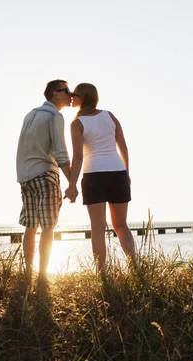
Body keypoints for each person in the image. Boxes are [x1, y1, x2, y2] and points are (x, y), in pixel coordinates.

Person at [65, 83, 135, 273]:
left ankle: (101, 273)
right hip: (117, 173)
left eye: (74, 94)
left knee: (97, 228)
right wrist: (126, 173)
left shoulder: (77, 123)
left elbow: (78, 156)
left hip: (94, 175)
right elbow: (124, 147)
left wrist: (72, 186)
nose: (71, 97)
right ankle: (135, 268)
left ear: (83, 97)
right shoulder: (110, 116)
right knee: (121, 225)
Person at [16, 79, 76, 285]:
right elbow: (61, 151)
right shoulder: (55, 116)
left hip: (26, 177)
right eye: (67, 90)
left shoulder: (30, 115)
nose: (71, 94)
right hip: (45, 175)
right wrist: (72, 183)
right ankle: (42, 275)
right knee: (48, 227)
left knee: (31, 227)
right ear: (54, 94)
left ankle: (27, 271)